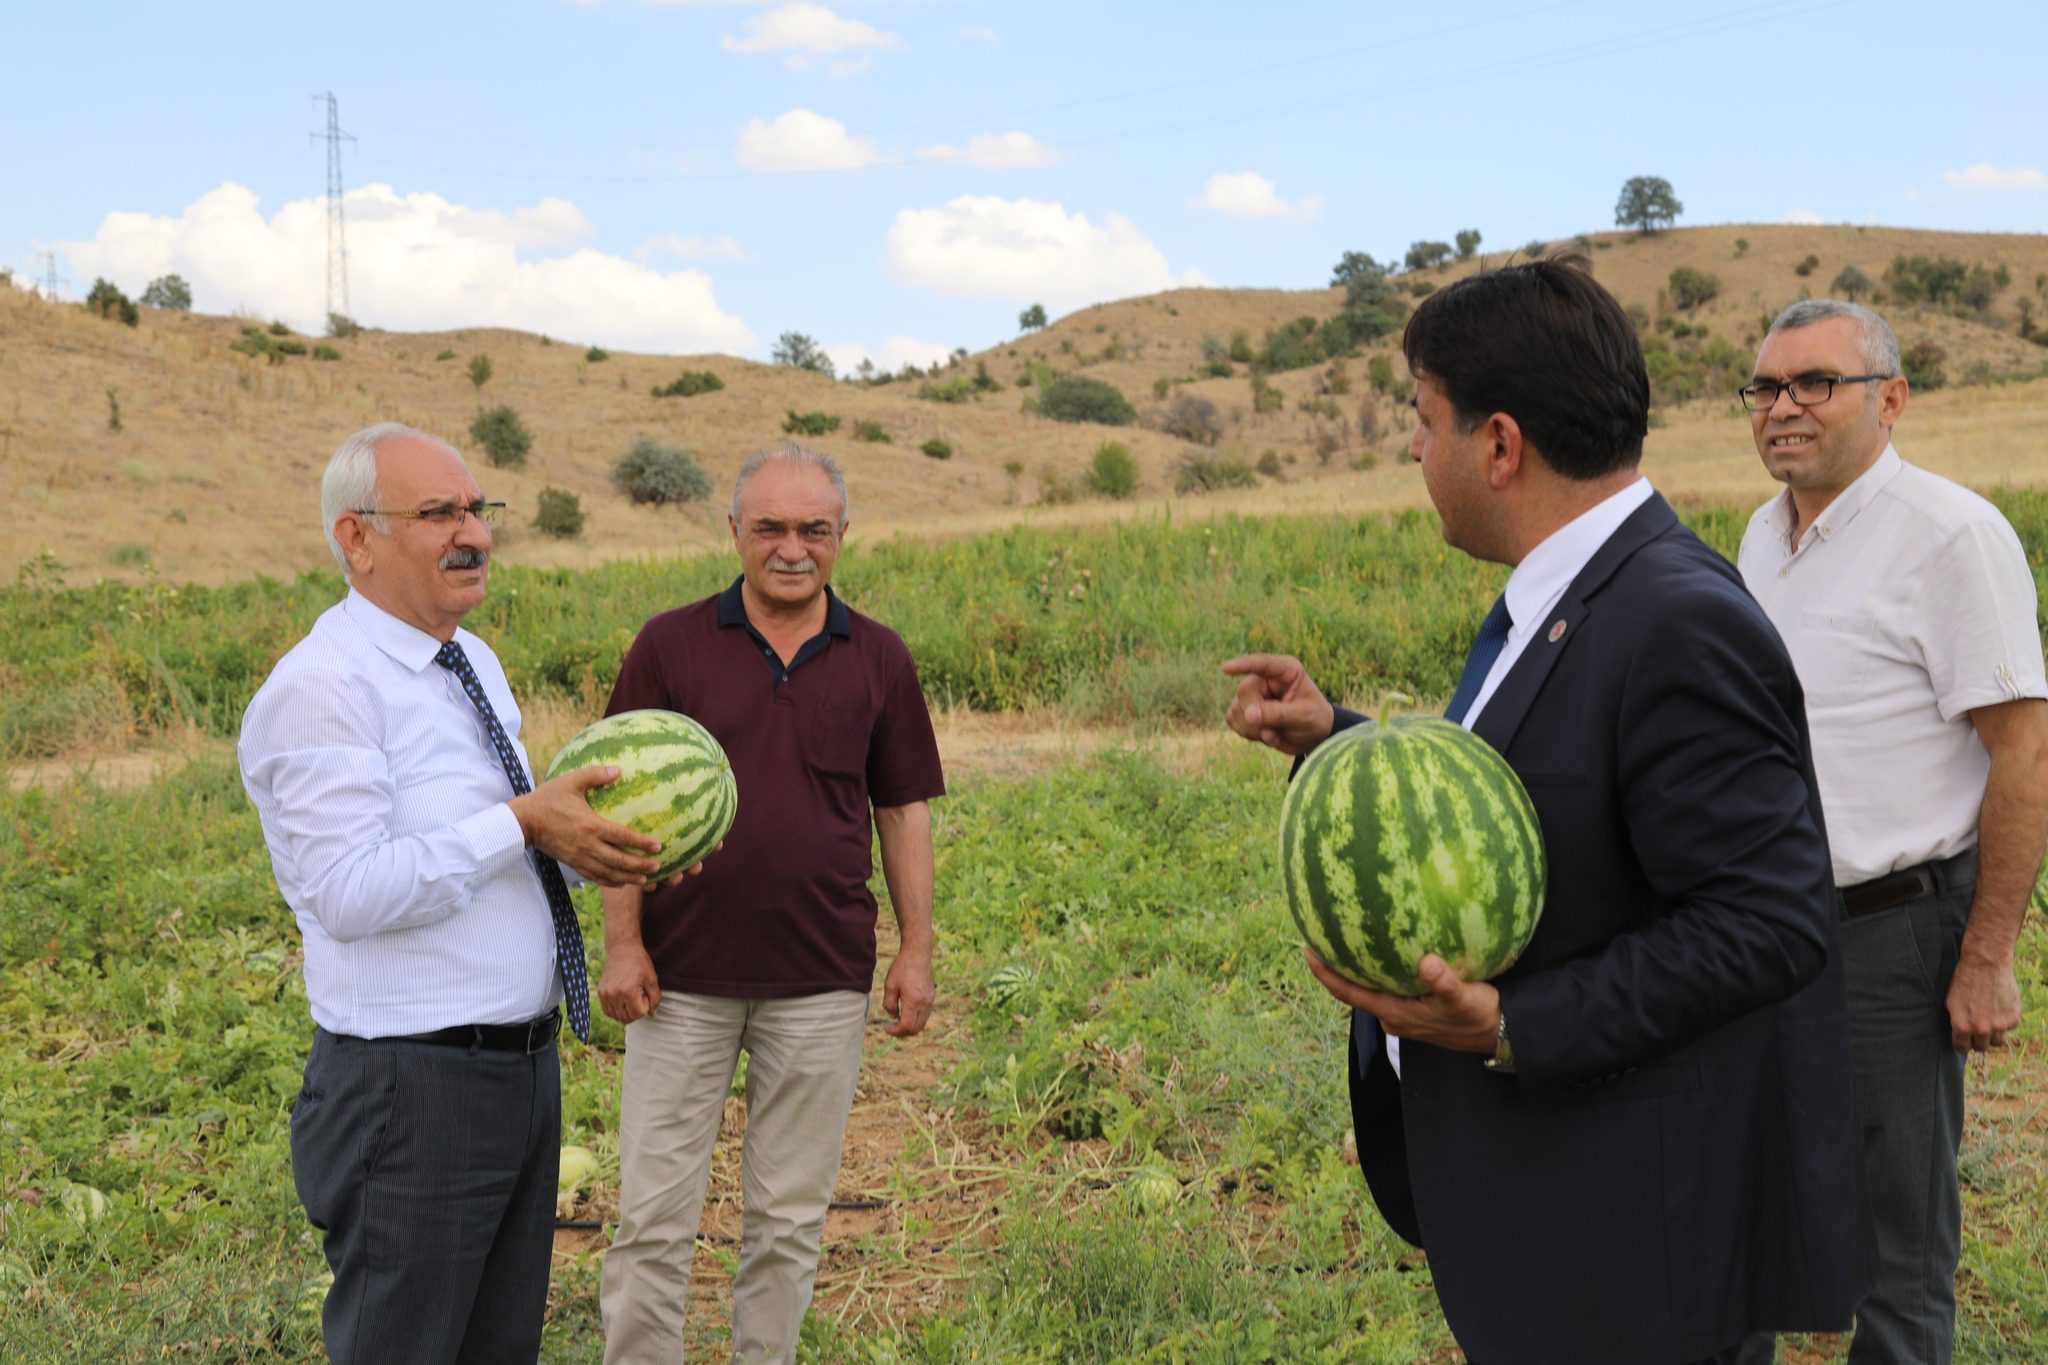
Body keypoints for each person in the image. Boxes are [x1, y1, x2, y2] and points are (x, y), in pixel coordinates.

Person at [1222, 258, 1871, 1364]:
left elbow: (1768, 921)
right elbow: (1542, 800)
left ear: (1500, 444)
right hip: (1562, 1231)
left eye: (1422, 421)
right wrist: (1342, 740)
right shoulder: (1570, 596)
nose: (1413, 450)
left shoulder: (1674, 620)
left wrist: (1513, 1025)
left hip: (1627, 1252)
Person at [238, 423, 690, 1362]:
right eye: (438, 512)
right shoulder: (325, 685)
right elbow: (349, 891)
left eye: (479, 508)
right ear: (354, 538)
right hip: (411, 1089)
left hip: (516, 1074)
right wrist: (527, 822)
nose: (474, 532)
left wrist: (603, 850)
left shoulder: (469, 660)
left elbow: (488, 847)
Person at [1736, 299, 2048, 1364]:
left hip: (1892, 935)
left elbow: (2024, 754)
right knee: (1751, 1196)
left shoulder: (1951, 536)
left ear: (1889, 397)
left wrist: (1986, 957)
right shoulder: (1761, 537)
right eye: (1765, 388)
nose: (1782, 409)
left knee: (1897, 1246)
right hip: (1764, 927)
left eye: (1812, 383)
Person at [597, 441, 945, 1365]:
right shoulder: (669, 644)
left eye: (813, 529)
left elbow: (901, 808)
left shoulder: (879, 655)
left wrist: (916, 949)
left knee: (787, 1223)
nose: (793, 547)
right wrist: (622, 943)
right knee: (653, 1220)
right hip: (681, 981)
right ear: (734, 532)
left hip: (821, 979)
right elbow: (618, 804)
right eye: (771, 528)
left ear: (842, 535)